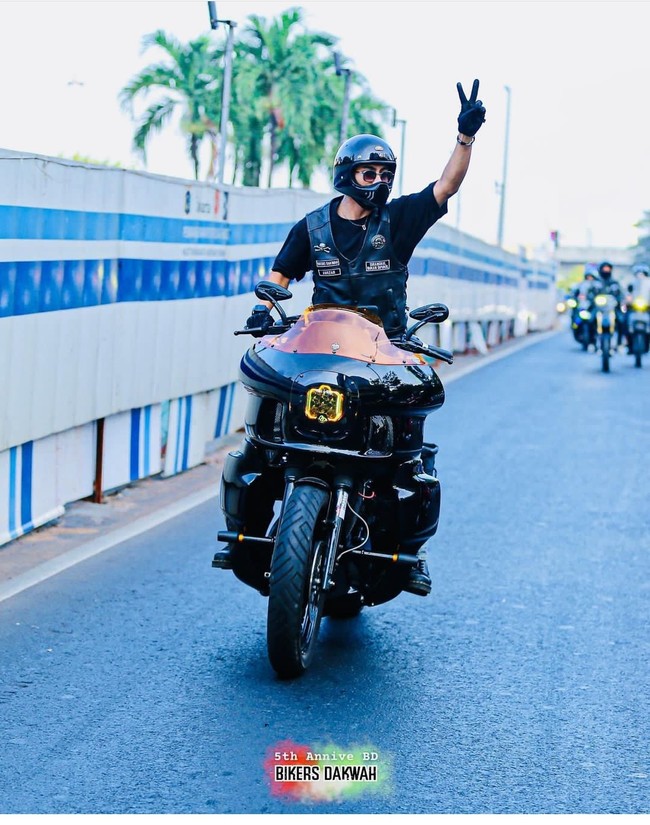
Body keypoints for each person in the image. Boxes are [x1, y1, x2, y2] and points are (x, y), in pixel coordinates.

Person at [242, 79, 487, 597]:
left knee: (403, 458)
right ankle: (245, 532)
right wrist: (264, 310)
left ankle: (408, 553)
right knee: (261, 441)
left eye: (383, 173)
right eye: (367, 171)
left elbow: (445, 186)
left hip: (384, 358)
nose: (376, 180)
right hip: (317, 353)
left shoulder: (397, 221)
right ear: (345, 175)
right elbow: (279, 278)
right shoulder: (311, 228)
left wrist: (464, 140)